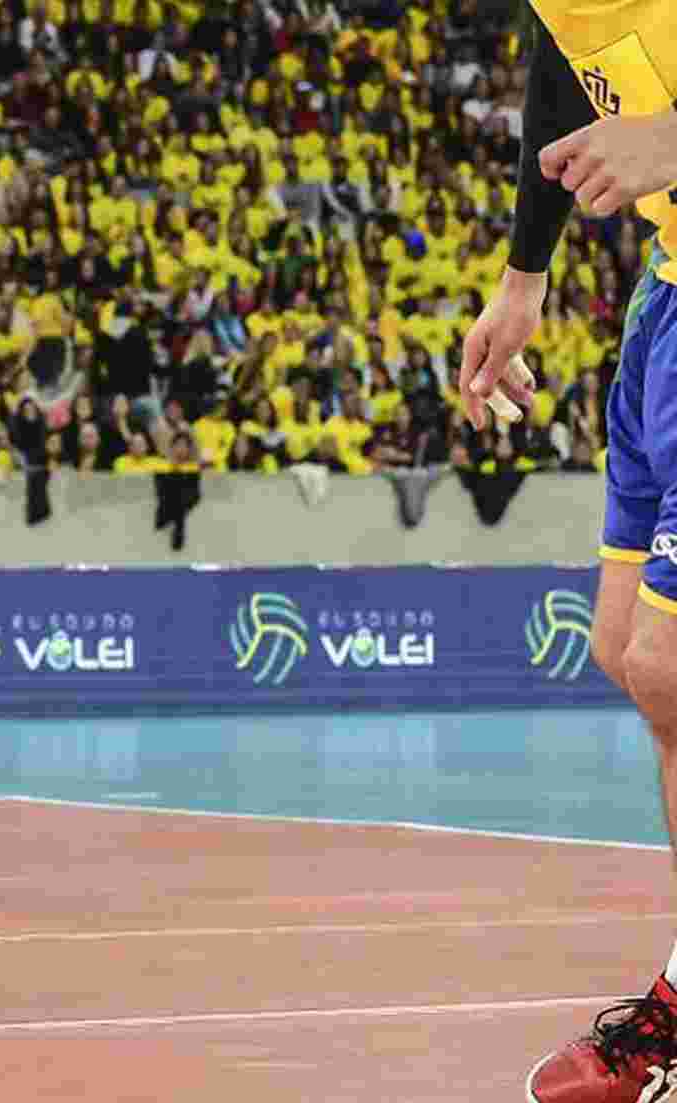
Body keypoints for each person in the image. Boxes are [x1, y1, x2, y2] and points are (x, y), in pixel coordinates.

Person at [458, 5, 677, 1100]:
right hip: (669, 293)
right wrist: (523, 277)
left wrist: (675, 134)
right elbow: (561, 62)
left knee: (675, 669)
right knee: (627, 650)